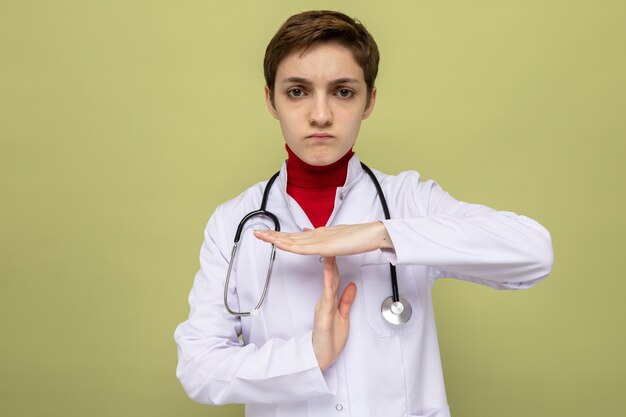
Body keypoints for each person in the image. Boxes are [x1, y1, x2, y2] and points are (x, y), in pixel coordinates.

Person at [174, 10, 553, 417]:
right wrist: (308, 357)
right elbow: (199, 368)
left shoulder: (409, 201)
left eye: (342, 92)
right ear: (271, 100)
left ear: (369, 100)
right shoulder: (235, 222)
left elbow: (533, 254)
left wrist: (382, 234)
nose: (320, 115)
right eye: (298, 91)